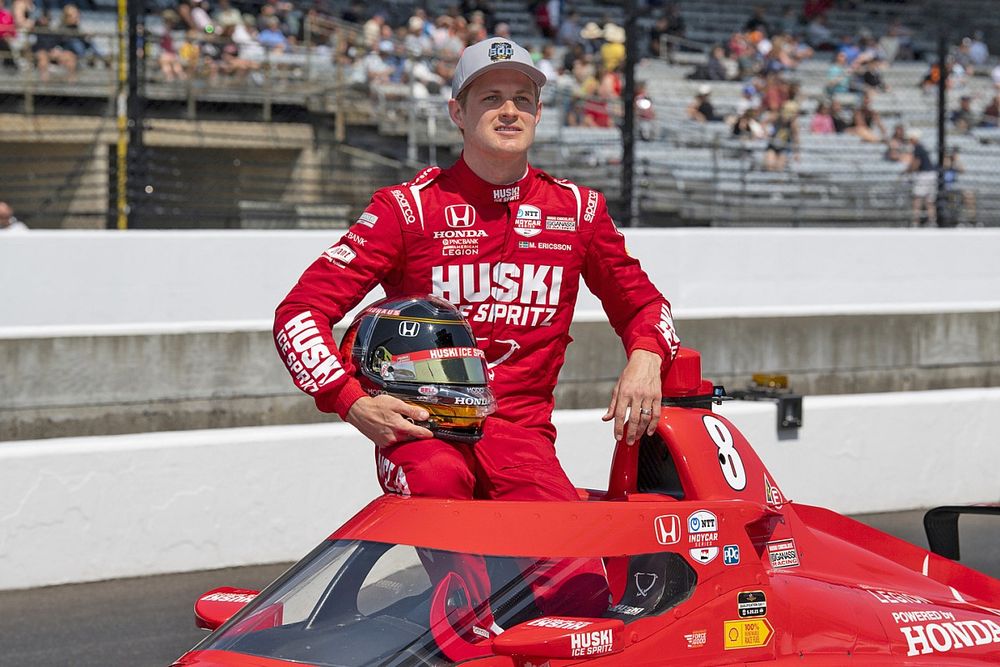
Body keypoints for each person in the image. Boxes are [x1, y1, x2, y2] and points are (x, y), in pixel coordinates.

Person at [273, 36, 678, 632]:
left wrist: (647, 356)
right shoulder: (404, 210)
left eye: (524, 98)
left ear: (538, 114)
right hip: (424, 435)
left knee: (581, 603)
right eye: (490, 98)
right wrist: (351, 402)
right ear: (457, 113)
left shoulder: (580, 211)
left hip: (522, 439)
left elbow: (647, 305)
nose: (509, 111)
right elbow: (298, 315)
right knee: (475, 585)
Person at [904, 129, 936, 227]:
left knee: (917, 198)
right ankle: (932, 221)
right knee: (929, 200)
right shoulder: (922, 147)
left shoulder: (917, 148)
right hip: (931, 174)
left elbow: (916, 163)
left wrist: (908, 171)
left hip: (923, 175)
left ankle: (915, 221)